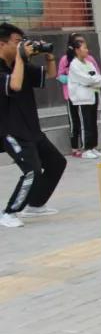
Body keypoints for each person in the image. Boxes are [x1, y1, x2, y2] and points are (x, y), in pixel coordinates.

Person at [0, 23, 63, 229]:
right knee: (32, 171)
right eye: (17, 42)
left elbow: (50, 75)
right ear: (2, 44)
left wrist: (48, 54)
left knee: (56, 163)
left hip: (32, 129)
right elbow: (15, 85)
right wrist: (20, 57)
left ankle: (35, 205)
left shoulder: (21, 66)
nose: (22, 46)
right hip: (11, 131)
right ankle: (9, 212)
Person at [56, 33, 101, 158]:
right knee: (77, 122)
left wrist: (91, 81)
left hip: (91, 94)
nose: (86, 49)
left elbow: (97, 76)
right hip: (74, 95)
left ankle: (91, 146)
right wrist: (73, 79)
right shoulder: (69, 61)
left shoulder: (89, 61)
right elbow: (61, 76)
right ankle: (78, 147)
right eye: (82, 45)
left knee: (91, 121)